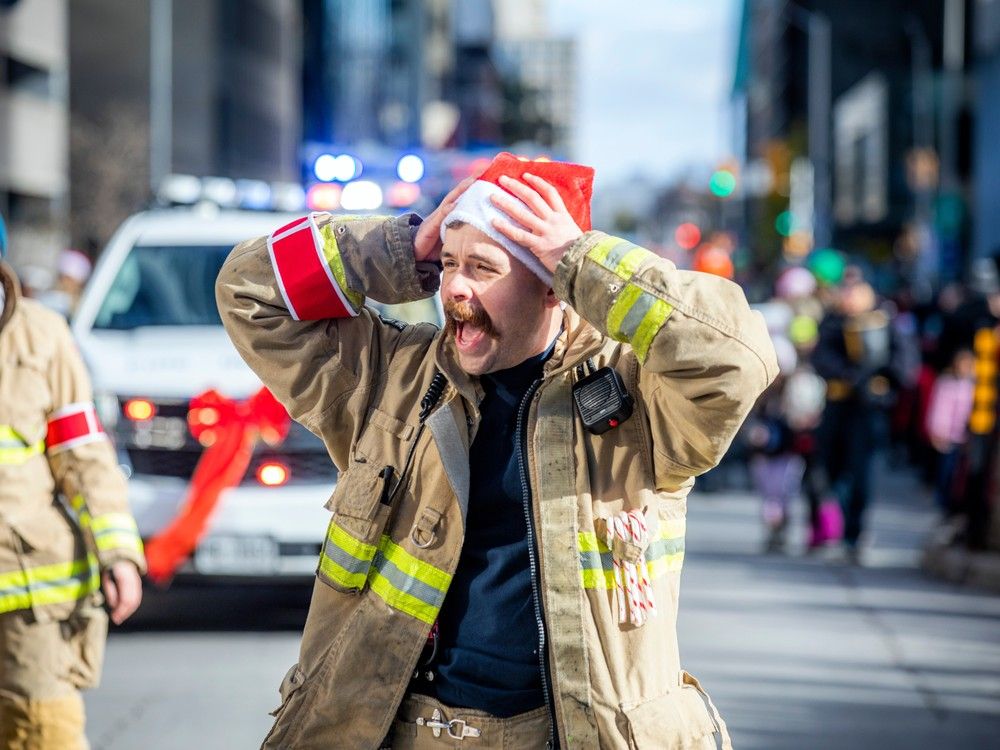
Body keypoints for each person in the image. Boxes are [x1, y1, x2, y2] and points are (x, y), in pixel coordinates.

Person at [217, 153, 777, 749]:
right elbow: (249, 292)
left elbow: (738, 360)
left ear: (551, 289)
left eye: (483, 267)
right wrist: (401, 250)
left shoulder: (642, 399)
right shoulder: (390, 379)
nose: (455, 287)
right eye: (450, 263)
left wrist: (585, 261)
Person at [0, 227, 145, 748]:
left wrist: (119, 553)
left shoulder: (41, 336)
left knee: (44, 732)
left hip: (28, 598)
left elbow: (83, 457)